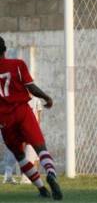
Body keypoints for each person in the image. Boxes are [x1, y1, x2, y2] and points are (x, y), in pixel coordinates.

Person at [0, 36, 62, 200]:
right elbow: (31, 87)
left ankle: (42, 189)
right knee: (40, 148)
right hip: (22, 111)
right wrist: (46, 97)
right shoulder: (18, 64)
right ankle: (50, 173)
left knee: (19, 155)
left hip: (4, 119)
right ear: (4, 50)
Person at [20, 96, 43, 184]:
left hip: (34, 130)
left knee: (37, 155)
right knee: (26, 153)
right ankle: (25, 177)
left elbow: (39, 117)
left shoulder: (37, 100)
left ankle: (35, 177)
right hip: (25, 129)